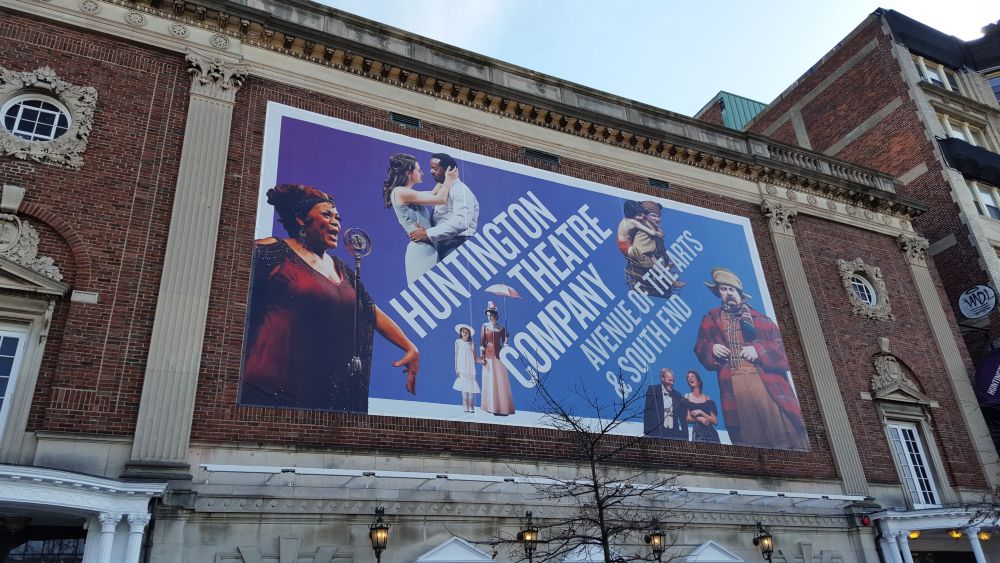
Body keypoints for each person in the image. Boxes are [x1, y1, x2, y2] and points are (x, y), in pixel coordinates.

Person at [240, 183, 420, 413]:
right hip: (268, 391)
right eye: (327, 214)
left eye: (338, 217)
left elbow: (370, 310)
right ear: (301, 219)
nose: (336, 221)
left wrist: (409, 346)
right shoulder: (274, 251)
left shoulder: (342, 269)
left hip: (320, 395)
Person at [693, 267, 808, 450]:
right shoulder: (710, 319)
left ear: (739, 292)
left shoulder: (762, 319)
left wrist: (758, 351)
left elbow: (787, 352)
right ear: (718, 293)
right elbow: (700, 348)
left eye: (731, 289)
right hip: (734, 386)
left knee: (788, 438)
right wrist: (711, 348)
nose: (728, 293)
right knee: (749, 441)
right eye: (723, 289)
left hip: (767, 384)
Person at [383, 153, 457, 284]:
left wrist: (444, 174)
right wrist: (449, 181)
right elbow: (440, 199)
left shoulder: (407, 192)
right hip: (421, 251)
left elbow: (434, 193)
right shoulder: (400, 192)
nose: (422, 173)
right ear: (408, 173)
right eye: (418, 170)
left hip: (428, 246)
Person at [408, 153, 479, 260]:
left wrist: (428, 233)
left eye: (435, 168)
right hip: (442, 245)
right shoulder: (443, 190)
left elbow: (462, 221)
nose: (431, 171)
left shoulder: (460, 190)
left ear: (449, 169)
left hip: (456, 246)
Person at [623, 200, 682, 296]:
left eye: (659, 216)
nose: (658, 219)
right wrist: (670, 278)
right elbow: (647, 256)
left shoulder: (655, 233)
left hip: (653, 275)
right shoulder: (644, 233)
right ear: (644, 217)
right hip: (645, 277)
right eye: (654, 215)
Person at [479, 301, 515, 415]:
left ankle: (502, 407)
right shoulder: (485, 326)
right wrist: (482, 356)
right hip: (488, 356)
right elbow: (482, 341)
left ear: (496, 316)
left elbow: (504, 343)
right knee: (490, 380)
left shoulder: (501, 328)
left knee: (500, 380)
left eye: (492, 315)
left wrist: (506, 338)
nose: (490, 317)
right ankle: (490, 406)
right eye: (488, 315)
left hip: (499, 356)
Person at [643, 368, 688, 440]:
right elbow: (647, 411)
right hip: (657, 432)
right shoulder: (653, 390)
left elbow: (683, 417)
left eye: (673, 381)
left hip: (673, 434)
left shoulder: (677, 395)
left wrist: (685, 437)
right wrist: (647, 432)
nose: (672, 383)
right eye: (670, 380)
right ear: (662, 378)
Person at [683, 370, 721, 443]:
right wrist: (699, 419)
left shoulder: (707, 398)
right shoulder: (687, 397)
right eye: (688, 377)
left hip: (711, 434)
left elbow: (715, 421)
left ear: (698, 381)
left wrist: (701, 412)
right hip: (698, 434)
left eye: (692, 376)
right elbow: (688, 418)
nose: (690, 378)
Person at [453, 323, 481, 413]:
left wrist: (482, 360)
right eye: (463, 332)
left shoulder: (472, 344)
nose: (464, 333)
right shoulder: (458, 342)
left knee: (471, 387)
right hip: (462, 368)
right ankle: (465, 404)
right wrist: (456, 368)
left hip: (470, 369)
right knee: (464, 387)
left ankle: (471, 405)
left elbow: (475, 357)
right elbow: (456, 356)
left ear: (469, 334)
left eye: (466, 332)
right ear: (461, 333)